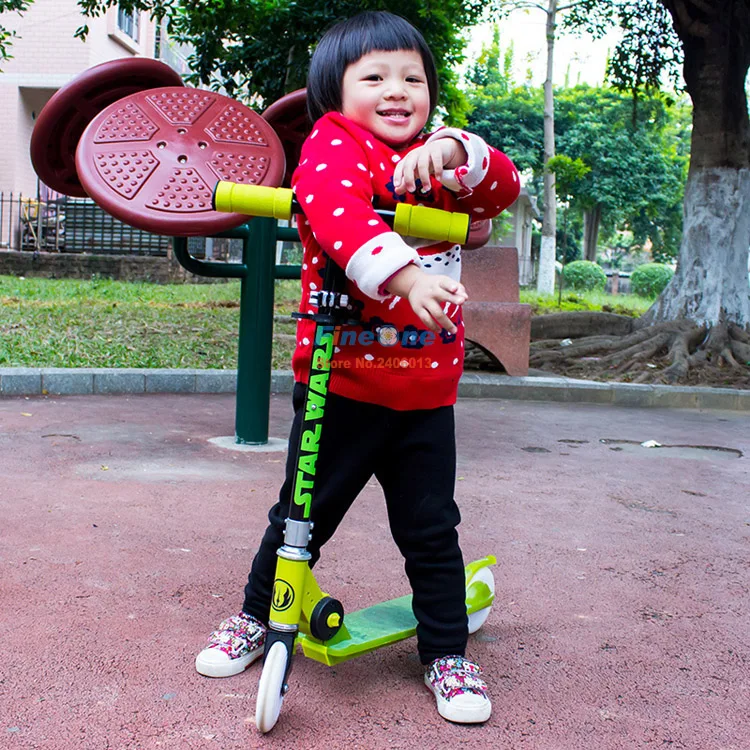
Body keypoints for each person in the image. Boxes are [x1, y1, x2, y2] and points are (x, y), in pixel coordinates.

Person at [195, 11, 520, 725]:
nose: (397, 90)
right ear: (335, 94)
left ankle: (447, 653)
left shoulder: (440, 159)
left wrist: (459, 150)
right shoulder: (333, 148)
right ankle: (257, 616)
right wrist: (407, 280)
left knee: (431, 528)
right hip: (339, 390)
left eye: (413, 78)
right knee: (298, 519)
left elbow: (501, 193)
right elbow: (340, 217)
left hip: (426, 396)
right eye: (374, 77)